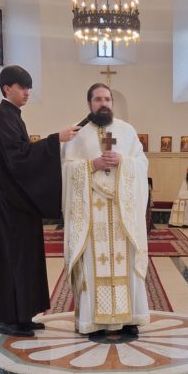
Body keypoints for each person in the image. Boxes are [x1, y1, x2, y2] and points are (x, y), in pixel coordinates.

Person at [0, 65, 79, 337]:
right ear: (7, 88)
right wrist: (55, 140)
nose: (27, 92)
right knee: (12, 260)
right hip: (7, 207)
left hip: (18, 204)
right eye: (22, 87)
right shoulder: (0, 116)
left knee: (24, 260)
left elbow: (21, 155)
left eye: (29, 87)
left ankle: (23, 316)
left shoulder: (12, 116)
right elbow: (18, 158)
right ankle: (9, 319)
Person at [62, 83, 150, 337]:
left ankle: (130, 318)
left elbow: (142, 164)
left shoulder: (127, 130)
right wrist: (92, 164)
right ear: (89, 103)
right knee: (93, 265)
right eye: (98, 99)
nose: (104, 104)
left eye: (107, 99)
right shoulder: (77, 133)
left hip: (123, 213)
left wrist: (123, 161)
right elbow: (67, 169)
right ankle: (94, 322)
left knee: (127, 262)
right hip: (91, 213)